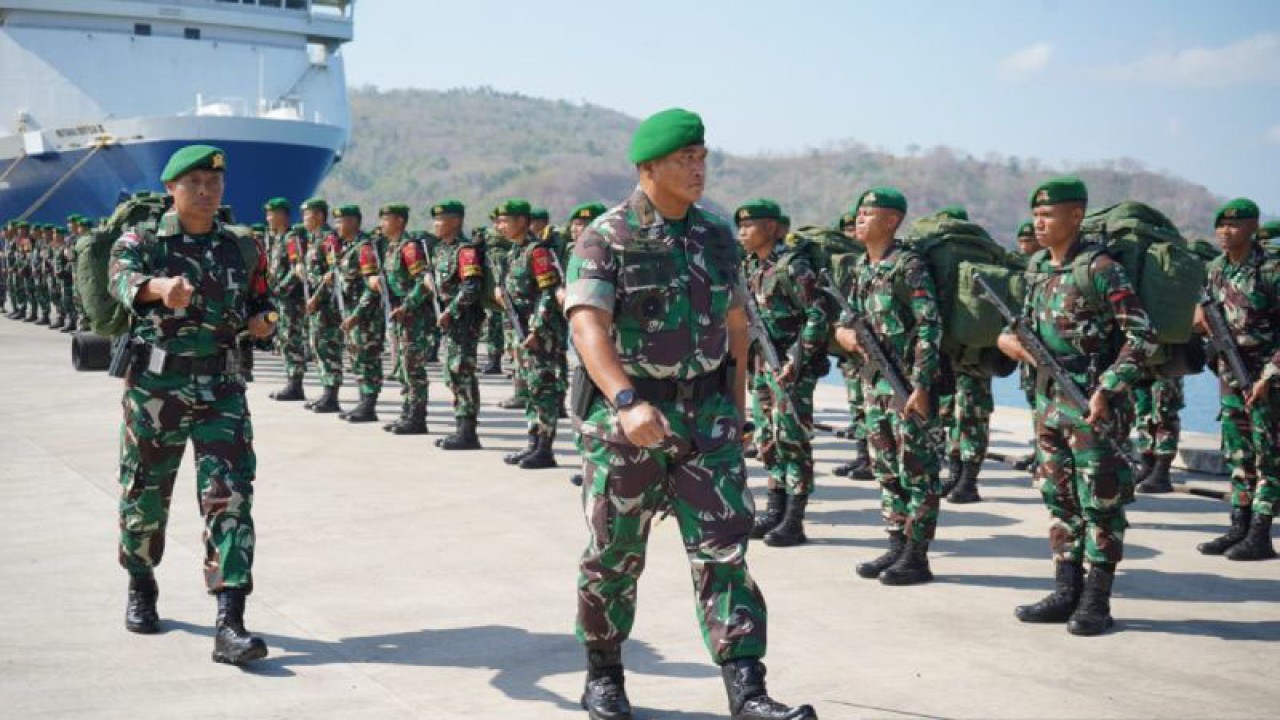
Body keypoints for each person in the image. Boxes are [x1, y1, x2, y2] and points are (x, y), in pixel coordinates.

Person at [567, 108, 815, 720]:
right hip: (631, 424)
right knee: (614, 553)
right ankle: (604, 673)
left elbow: (736, 326)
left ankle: (748, 690)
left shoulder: (715, 233)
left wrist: (736, 406)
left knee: (725, 551)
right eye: (685, 158)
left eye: (703, 156)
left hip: (707, 420)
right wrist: (625, 402)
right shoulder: (606, 236)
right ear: (648, 167)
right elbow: (587, 327)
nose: (699, 167)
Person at [108, 145, 273, 664]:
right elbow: (123, 281)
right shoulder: (142, 240)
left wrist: (264, 323)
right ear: (172, 189)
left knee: (231, 498)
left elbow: (260, 301)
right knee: (146, 494)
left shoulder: (242, 247)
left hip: (222, 389)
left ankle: (230, 621)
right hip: (157, 388)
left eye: (214, 182)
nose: (206, 191)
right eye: (195, 182)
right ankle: (141, 581)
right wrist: (159, 289)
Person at [997, 177, 1158, 635]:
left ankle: (1096, 601)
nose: (1039, 222)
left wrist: (1107, 388)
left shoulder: (1101, 268)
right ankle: (1066, 589)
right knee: (1059, 500)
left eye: (1049, 214)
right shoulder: (1037, 270)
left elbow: (1142, 336)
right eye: (1036, 214)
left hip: (1092, 407)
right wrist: (1010, 344)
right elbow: (1021, 331)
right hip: (1048, 404)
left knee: (1101, 504)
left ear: (1076, 216)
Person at [834, 187, 944, 586]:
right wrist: (844, 336)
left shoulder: (907, 265)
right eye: (858, 213)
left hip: (906, 385)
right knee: (885, 468)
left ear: (892, 221)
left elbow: (929, 325)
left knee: (917, 470)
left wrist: (922, 384)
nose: (859, 219)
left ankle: (917, 555)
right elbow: (847, 321)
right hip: (873, 383)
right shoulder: (862, 266)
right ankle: (896, 544)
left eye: (868, 213)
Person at [737, 198, 831, 547]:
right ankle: (774, 510)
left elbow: (818, 314)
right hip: (760, 365)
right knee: (768, 439)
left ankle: (794, 518)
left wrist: (797, 358)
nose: (743, 232)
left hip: (789, 367)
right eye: (740, 226)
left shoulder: (793, 267)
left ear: (773, 228)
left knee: (793, 439)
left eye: (750, 225)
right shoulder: (750, 267)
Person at [1196, 198, 1279, 560]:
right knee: (1237, 452)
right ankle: (1238, 525)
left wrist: (1270, 375)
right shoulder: (1216, 269)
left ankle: (1261, 533)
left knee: (1268, 455)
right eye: (1221, 226)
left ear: (1252, 228)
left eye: (1233, 226)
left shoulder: (1272, 270)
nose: (1225, 232)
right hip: (1230, 372)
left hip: (1265, 377)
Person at [495, 198, 565, 469]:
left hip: (540, 332)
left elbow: (548, 292)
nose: (501, 226)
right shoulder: (513, 253)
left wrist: (536, 328)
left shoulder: (537, 252)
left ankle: (545, 448)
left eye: (505, 221)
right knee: (529, 388)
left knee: (543, 388)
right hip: (519, 331)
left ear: (522, 222)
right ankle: (533, 443)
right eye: (499, 221)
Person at [429, 200, 487, 450]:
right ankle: (460, 426)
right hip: (449, 321)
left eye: (441, 220)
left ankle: (467, 431)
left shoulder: (465, 252)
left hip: (463, 321)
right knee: (452, 374)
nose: (436, 225)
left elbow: (470, 288)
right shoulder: (441, 250)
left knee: (462, 372)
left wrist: (451, 311)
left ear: (455, 222)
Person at [377, 203, 433, 435]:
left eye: (386, 219)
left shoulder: (409, 248)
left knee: (413, 367)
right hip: (399, 314)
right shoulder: (392, 247)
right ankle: (407, 412)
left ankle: (417, 417)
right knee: (403, 366)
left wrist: (408, 305)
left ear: (399, 221)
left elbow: (424, 281)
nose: (381, 224)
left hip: (413, 316)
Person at [333, 204, 386, 423]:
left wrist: (357, 314)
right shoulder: (348, 247)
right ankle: (363, 401)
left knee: (367, 359)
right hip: (352, 314)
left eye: (341, 221)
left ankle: (369, 405)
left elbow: (371, 287)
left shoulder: (364, 249)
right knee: (357, 358)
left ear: (354, 222)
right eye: (336, 221)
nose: (337, 226)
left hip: (366, 317)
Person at [264, 197, 311, 402]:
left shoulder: (292, 239)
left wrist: (282, 288)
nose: (268, 218)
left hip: (291, 298)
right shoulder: (277, 238)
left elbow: (297, 268)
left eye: (271, 214)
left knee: (292, 338)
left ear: (282, 215)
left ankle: (295, 383)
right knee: (284, 338)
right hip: (280, 298)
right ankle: (291, 380)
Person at [301, 198, 344, 413]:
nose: (304, 220)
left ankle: (332, 395)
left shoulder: (329, 239)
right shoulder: (313, 238)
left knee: (328, 347)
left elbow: (334, 273)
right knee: (318, 345)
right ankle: (326, 390)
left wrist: (317, 297)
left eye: (307, 215)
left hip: (327, 305)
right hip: (316, 304)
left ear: (318, 216)